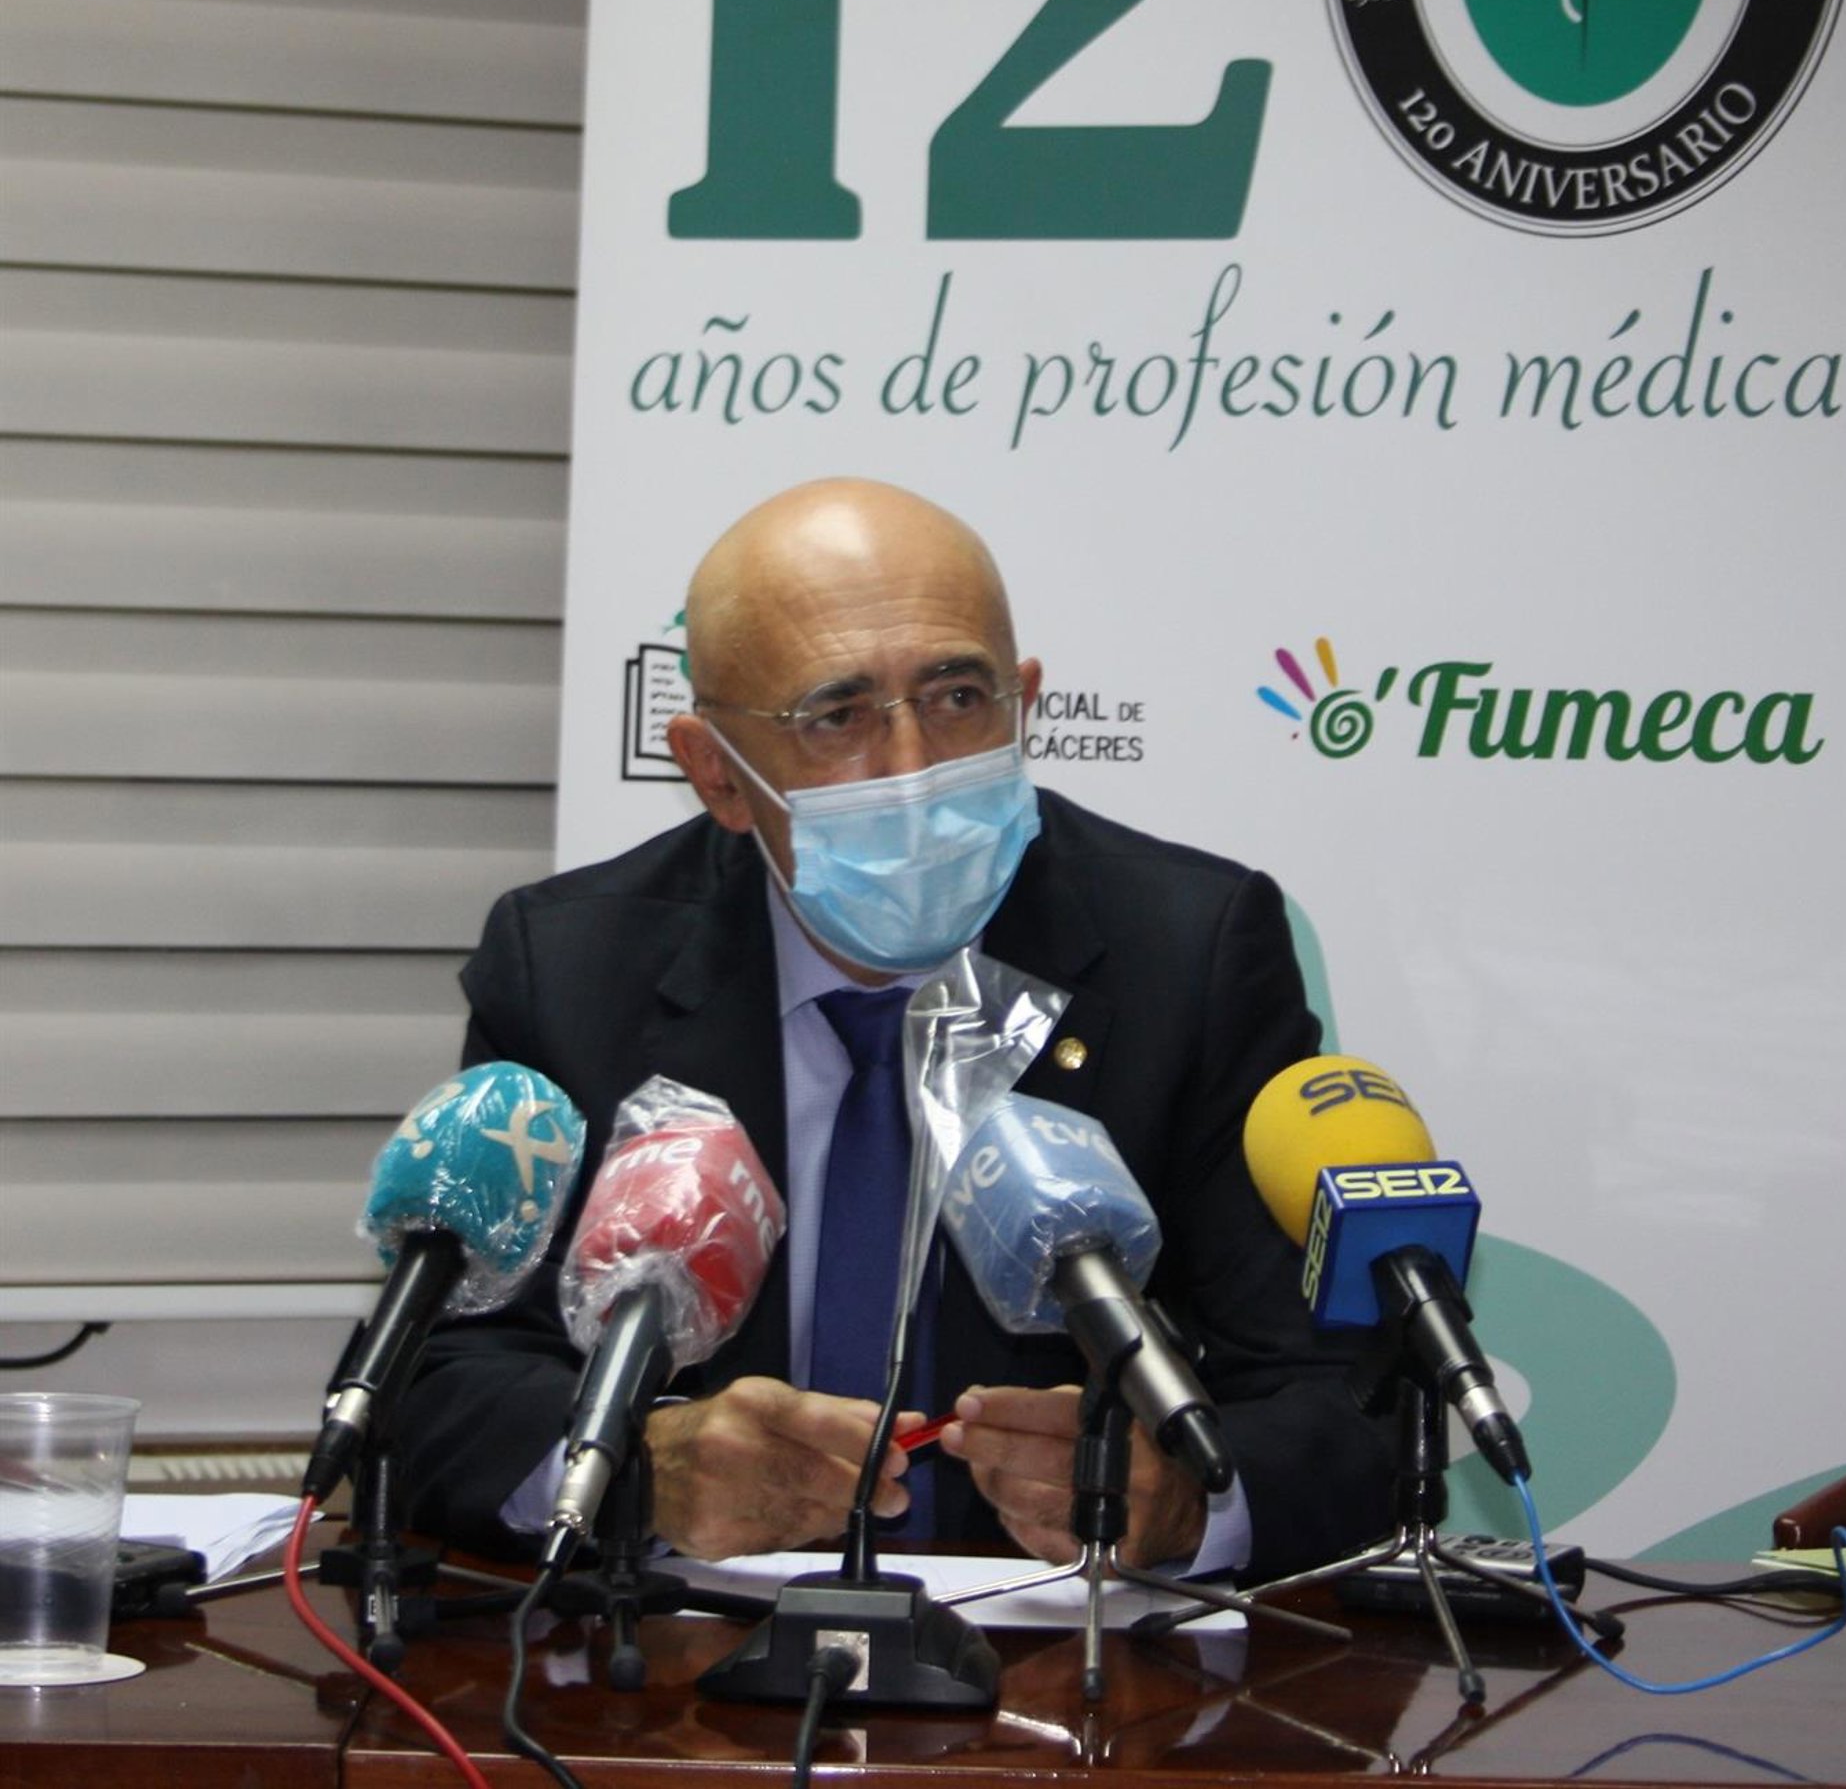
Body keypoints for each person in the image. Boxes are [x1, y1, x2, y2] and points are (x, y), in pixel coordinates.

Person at [394, 478, 1393, 1577]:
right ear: (717, 772)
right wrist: (637, 1466)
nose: (916, 769)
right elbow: (440, 1380)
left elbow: (1340, 1396)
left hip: (1059, 1657)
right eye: (838, 716)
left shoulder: (1188, 955)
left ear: (1024, 704)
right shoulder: (572, 966)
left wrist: (1189, 1502)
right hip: (690, 1658)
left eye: (958, 697)